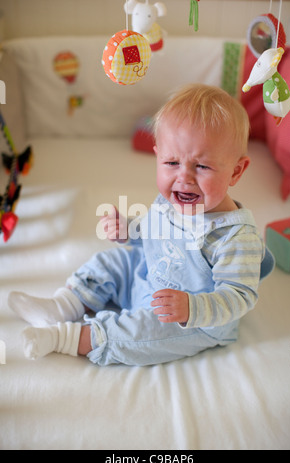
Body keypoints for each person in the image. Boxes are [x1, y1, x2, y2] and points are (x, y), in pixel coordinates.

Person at [8, 84, 274, 366]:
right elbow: (154, 230)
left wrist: (191, 308)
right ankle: (62, 306)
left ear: (236, 171)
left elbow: (239, 296)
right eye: (171, 162)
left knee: (138, 335)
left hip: (188, 319)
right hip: (147, 275)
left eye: (202, 167)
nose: (183, 178)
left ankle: (64, 337)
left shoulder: (233, 236)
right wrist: (130, 230)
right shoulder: (174, 199)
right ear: (158, 155)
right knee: (114, 262)